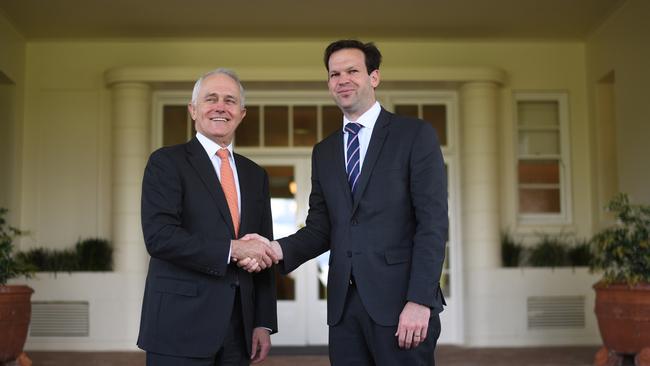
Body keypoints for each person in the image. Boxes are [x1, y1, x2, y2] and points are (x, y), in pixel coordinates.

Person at [242, 40, 448, 365]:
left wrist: (420, 301)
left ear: (374, 77)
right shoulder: (324, 152)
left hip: (400, 305)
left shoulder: (414, 136)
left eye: (352, 71)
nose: (342, 80)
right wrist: (273, 249)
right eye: (334, 74)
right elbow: (320, 229)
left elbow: (432, 225)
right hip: (343, 309)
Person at [138, 68, 279, 366]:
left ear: (241, 114)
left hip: (238, 330)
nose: (220, 107)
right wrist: (234, 248)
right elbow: (160, 237)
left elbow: (263, 248)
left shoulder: (256, 175)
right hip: (178, 325)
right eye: (210, 99)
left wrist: (263, 322)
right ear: (193, 110)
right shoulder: (166, 162)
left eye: (230, 101)